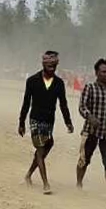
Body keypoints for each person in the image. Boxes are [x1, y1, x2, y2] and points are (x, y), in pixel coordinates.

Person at [18, 51, 74, 194]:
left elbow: (63, 104)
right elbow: (26, 102)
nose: (52, 67)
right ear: (43, 64)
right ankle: (45, 184)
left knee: (46, 146)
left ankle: (28, 175)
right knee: (41, 148)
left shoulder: (59, 83)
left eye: (54, 65)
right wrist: (21, 122)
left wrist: (68, 122)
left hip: (49, 120)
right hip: (35, 118)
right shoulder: (32, 80)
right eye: (49, 64)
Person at [77, 59, 106, 201]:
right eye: (103, 71)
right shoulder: (89, 88)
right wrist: (90, 117)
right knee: (85, 159)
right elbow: (82, 107)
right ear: (96, 73)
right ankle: (78, 184)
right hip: (91, 131)